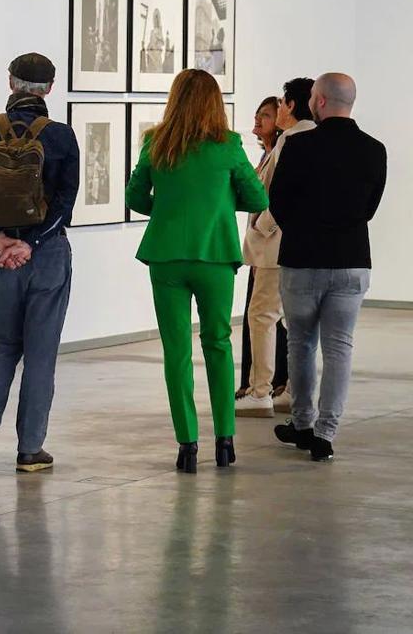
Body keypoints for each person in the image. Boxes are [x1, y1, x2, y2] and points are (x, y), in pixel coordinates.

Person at [126, 68, 268, 473]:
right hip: (215, 257)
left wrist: (169, 211)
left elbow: (135, 195)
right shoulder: (229, 146)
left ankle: (187, 445)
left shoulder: (157, 142)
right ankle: (225, 441)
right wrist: (219, 206)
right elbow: (257, 196)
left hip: (167, 256)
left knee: (177, 352)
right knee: (218, 343)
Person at [0, 53, 79, 472]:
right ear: (50, 87)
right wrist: (33, 242)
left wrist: (0, 240)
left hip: (0, 256)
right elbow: (65, 203)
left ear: (10, 83)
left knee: (4, 345)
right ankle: (30, 450)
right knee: (40, 353)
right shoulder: (61, 137)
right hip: (46, 256)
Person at [271, 73, 386, 462]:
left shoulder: (299, 146)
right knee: (340, 348)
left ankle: (302, 423)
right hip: (352, 259)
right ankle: (325, 433)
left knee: (300, 343)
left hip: (302, 258)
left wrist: (303, 230)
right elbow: (369, 208)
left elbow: (279, 201)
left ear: (318, 102)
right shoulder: (375, 150)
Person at [237, 81, 316, 417]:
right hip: (302, 244)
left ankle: (260, 392)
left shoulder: (292, 138)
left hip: (277, 245)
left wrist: (262, 226)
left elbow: (280, 192)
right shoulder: (316, 135)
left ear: (292, 105)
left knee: (262, 317)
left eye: (281, 104)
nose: (278, 110)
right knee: (294, 322)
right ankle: (292, 390)